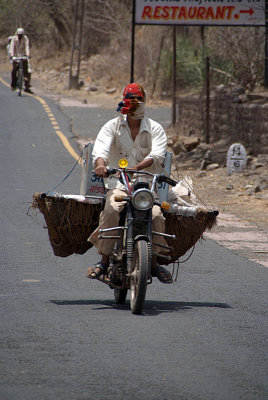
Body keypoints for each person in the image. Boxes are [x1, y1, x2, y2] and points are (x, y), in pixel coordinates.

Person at [86, 83, 173, 284]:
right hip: (119, 183)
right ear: (125, 102)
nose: (136, 104)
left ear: (144, 102)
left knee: (157, 216)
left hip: (146, 185)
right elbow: (101, 151)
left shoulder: (155, 128)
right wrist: (100, 165)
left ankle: (152, 263)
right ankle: (104, 262)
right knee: (111, 210)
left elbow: (157, 155)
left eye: (139, 100)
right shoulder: (112, 126)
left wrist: (137, 168)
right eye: (132, 100)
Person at [10, 28, 33, 94]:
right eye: (19, 35)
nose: (20, 36)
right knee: (14, 70)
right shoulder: (14, 38)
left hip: (23, 56)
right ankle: (13, 85)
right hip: (16, 56)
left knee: (26, 69)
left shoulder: (25, 39)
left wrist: (28, 54)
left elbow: (27, 47)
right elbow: (12, 47)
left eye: (21, 35)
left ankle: (26, 85)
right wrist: (12, 55)